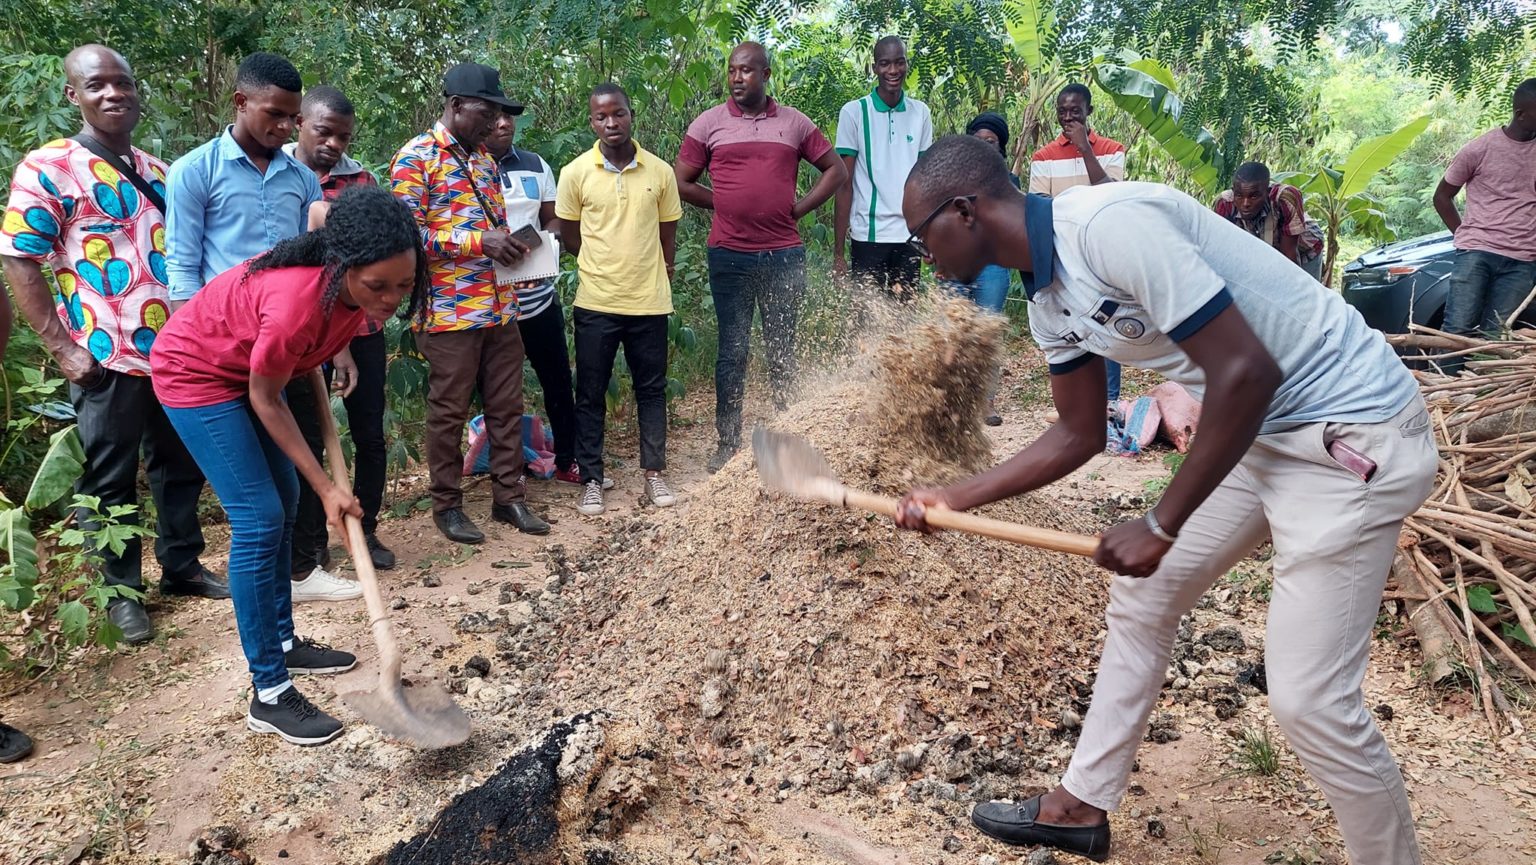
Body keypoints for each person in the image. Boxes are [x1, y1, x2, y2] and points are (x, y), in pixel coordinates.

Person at [895, 135, 1435, 865]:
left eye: (920, 233)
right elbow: (1080, 431)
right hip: (1259, 430)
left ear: (964, 210)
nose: (920, 252)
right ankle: (1079, 807)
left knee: (1310, 701)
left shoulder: (1110, 227)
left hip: (1347, 432)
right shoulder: (1049, 302)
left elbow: (1246, 369)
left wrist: (1159, 520)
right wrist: (952, 497)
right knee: (1144, 600)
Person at [151, 185, 420, 746]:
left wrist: (323, 355)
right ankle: (268, 691)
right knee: (258, 518)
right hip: (196, 375)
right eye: (378, 286)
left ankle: (284, 641)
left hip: (250, 372)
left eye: (404, 285)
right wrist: (328, 486)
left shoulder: (346, 293)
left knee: (285, 501)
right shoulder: (298, 300)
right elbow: (265, 397)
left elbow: (324, 223)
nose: (392, 297)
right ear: (342, 264)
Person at [1, 45, 227, 648]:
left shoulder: (157, 170)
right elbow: (18, 256)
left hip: (176, 355)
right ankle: (123, 594)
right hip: (106, 356)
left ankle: (181, 567)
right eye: (97, 84)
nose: (114, 94)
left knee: (179, 468)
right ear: (74, 95)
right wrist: (62, 349)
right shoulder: (49, 167)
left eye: (122, 83)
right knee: (110, 478)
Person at [165, 52, 361, 603]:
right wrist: (198, 349)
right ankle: (249, 598)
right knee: (257, 506)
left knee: (288, 485)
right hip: (222, 349)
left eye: (291, 119)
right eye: (273, 114)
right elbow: (181, 270)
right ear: (240, 102)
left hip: (288, 339)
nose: (282, 128)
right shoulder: (194, 172)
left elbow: (320, 266)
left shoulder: (301, 178)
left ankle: (297, 577)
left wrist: (334, 346)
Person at [390, 62, 550, 544]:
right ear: (456, 105)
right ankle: (447, 505)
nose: (495, 121)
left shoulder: (483, 160)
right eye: (488, 110)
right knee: (449, 411)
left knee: (506, 405)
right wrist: (478, 243)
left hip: (500, 306)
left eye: (501, 112)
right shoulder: (415, 158)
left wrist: (514, 250)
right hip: (447, 311)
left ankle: (509, 499)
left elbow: (493, 231)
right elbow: (406, 235)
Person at [676, 41, 847, 474]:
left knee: (782, 348)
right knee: (732, 351)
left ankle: (789, 436)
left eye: (747, 71)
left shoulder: (794, 123)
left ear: (766, 75)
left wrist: (800, 207)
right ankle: (727, 443)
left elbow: (836, 170)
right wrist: (724, 203)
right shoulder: (708, 124)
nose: (737, 78)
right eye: (732, 70)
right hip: (729, 256)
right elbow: (680, 181)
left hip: (783, 255)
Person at [556, 83, 681, 516]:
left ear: (632, 114)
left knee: (651, 390)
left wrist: (660, 272)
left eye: (619, 114)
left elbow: (669, 235)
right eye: (601, 117)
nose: (611, 124)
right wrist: (601, 262)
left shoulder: (660, 172)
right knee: (589, 392)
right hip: (596, 301)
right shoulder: (575, 173)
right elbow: (571, 235)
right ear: (591, 121)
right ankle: (591, 477)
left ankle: (655, 474)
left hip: (648, 302)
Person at [285, 85, 395, 572]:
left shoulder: (362, 182)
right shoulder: (278, 178)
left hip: (359, 328)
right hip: (300, 328)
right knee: (306, 438)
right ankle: (309, 547)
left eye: (343, 137)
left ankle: (365, 531)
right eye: (324, 132)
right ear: (300, 124)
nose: (333, 144)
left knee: (369, 433)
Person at [483, 104, 593, 492]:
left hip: (538, 297)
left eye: (509, 117)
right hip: (490, 303)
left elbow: (554, 218)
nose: (504, 124)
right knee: (499, 390)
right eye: (495, 117)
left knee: (558, 382)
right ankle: (506, 471)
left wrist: (540, 250)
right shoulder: (467, 169)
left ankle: (567, 460)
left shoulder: (535, 165)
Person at [1029, 83, 1127, 406]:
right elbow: (1040, 206)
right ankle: (1079, 403)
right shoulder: (1043, 156)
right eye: (1062, 111)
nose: (1068, 117)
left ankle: (1110, 401)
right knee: (1072, 323)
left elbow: (1111, 194)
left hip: (1101, 251)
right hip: (1062, 253)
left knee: (1107, 324)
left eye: (1075, 111)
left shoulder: (1112, 150)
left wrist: (1085, 148)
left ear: (1089, 112)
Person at [1432, 78, 1536, 355]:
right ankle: (1444, 394)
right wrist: (1466, 238)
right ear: (1520, 113)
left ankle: (1481, 395)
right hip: (1477, 253)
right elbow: (1441, 197)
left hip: (1523, 260)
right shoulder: (1479, 149)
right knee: (1457, 329)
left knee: (1496, 335)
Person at [833, 36, 933, 300]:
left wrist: (928, 236)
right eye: (885, 63)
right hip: (868, 235)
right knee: (866, 319)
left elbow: (924, 182)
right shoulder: (854, 113)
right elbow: (844, 183)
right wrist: (838, 253)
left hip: (909, 237)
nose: (893, 71)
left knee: (904, 317)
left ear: (907, 64)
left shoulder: (921, 113)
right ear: (875, 67)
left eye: (899, 63)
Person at [946, 111, 1017, 426]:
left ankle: (986, 403)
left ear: (1000, 147)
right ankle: (953, 402)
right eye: (978, 142)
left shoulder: (1009, 183)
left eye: (991, 142)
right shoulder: (949, 180)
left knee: (986, 335)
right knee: (952, 333)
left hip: (992, 267)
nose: (985, 147)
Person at [1213, 161, 1325, 282]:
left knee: (1306, 294)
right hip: (1264, 245)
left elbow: (1289, 257)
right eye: (1239, 196)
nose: (1245, 204)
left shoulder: (1285, 198)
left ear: (1267, 192)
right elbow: (1225, 252)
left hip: (1305, 247)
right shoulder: (1225, 204)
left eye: (1253, 196)